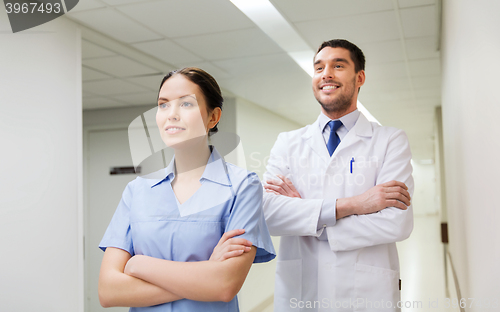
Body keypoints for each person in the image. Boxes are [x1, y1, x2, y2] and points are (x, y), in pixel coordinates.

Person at [98, 67, 275, 312]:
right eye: (163, 105)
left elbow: (224, 286)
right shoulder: (136, 191)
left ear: (213, 117)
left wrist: (139, 265)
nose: (171, 114)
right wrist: (205, 274)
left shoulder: (242, 186)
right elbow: (108, 291)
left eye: (186, 104)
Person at [263, 39, 414, 311]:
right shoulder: (288, 142)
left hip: (366, 293)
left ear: (360, 77)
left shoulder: (390, 140)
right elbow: (269, 215)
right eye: (319, 67)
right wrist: (357, 204)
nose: (326, 74)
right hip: (301, 291)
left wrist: (308, 220)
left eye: (338, 65)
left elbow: (396, 222)